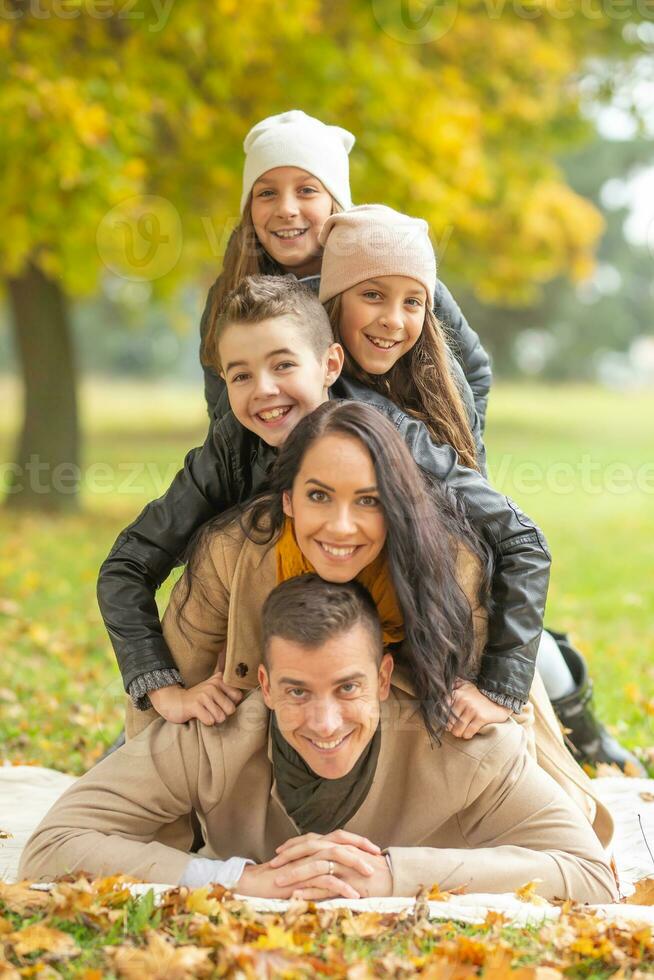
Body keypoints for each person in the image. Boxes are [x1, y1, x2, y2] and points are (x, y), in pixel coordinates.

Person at [125, 399, 612, 855]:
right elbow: (172, 680)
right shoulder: (231, 551)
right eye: (319, 496)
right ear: (289, 499)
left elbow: (503, 730)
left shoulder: (450, 563)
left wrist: (496, 706)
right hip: (285, 726)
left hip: (410, 733)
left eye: (368, 501)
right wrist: (163, 833)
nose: (340, 527)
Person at [99, 276, 550, 746]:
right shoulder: (229, 449)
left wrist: (500, 687)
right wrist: (162, 688)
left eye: (283, 365)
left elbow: (521, 541)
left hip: (411, 648)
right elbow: (127, 566)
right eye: (241, 376)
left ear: (330, 364)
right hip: (285, 647)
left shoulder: (389, 438)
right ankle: (152, 758)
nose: (264, 390)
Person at [20, 576, 617, 904]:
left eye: (349, 688)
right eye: (298, 692)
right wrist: (234, 878)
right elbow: (53, 846)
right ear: (265, 685)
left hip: (516, 679)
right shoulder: (216, 735)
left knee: (542, 659)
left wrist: (393, 873)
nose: (326, 723)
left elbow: (589, 874)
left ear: (384, 679)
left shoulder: (468, 746)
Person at [199, 109, 492, 428]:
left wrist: (451, 446)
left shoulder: (397, 272)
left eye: (306, 190)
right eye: (267, 193)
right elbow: (221, 412)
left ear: (334, 202)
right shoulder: (229, 295)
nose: (286, 209)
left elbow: (471, 372)